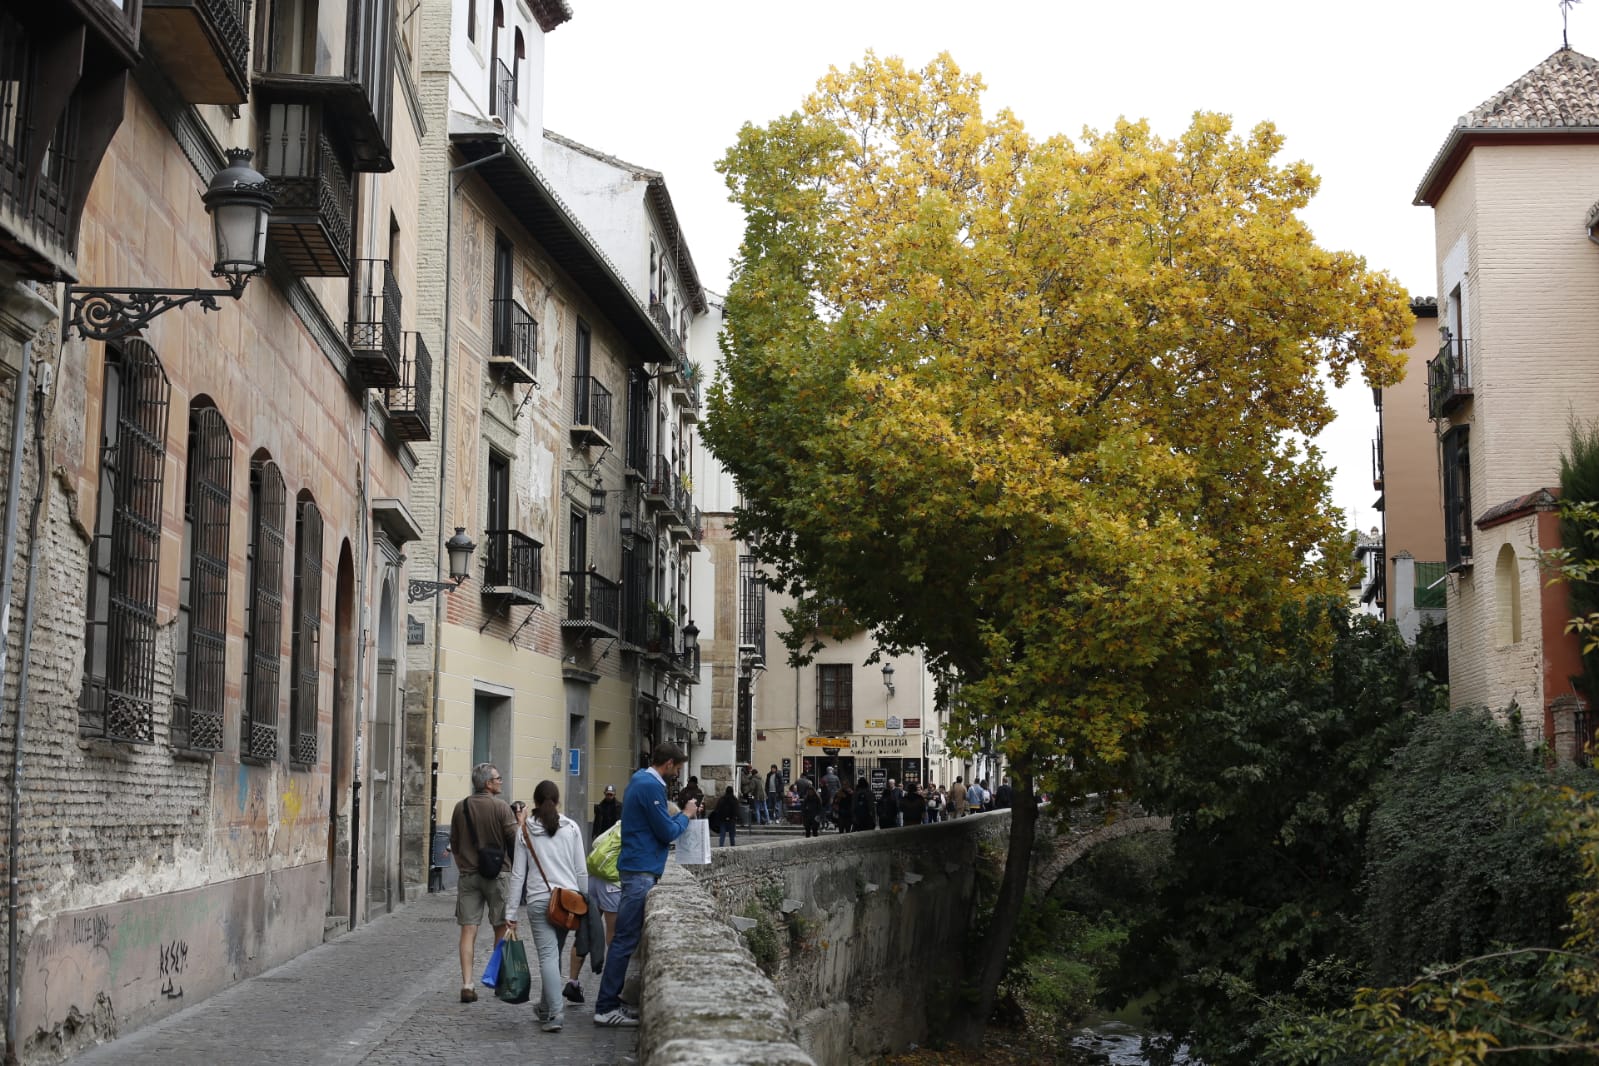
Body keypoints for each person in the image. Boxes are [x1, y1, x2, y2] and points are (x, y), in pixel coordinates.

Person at [593, 741, 698, 1027]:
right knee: (624, 940)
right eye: (677, 768)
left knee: (625, 939)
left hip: (637, 867)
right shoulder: (650, 786)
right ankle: (605, 1007)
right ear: (668, 764)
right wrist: (686, 815)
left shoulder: (640, 780)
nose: (677, 773)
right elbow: (666, 831)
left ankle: (612, 1002)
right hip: (640, 870)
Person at [505, 780, 586, 1033]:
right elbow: (581, 870)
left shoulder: (525, 830)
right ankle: (545, 1007)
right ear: (557, 800)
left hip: (540, 900)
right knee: (553, 955)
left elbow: (518, 874)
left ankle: (555, 1013)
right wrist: (586, 900)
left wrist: (511, 911)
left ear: (536, 801)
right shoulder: (571, 827)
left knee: (549, 957)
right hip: (568, 902)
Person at [448, 762, 516, 1003]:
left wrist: (463, 864)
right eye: (498, 778)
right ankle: (497, 979)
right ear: (488, 783)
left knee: (468, 929)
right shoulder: (501, 807)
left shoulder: (461, 807)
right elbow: (515, 840)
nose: (500, 781)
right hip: (498, 875)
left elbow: (454, 842)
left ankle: (467, 983)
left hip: (469, 875)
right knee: (501, 927)